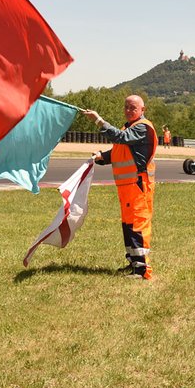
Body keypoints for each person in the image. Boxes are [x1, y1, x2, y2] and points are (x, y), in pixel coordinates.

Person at [82, 95, 158, 279]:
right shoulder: (129, 127)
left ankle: (142, 270)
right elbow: (120, 151)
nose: (129, 110)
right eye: (126, 107)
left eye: (133, 108)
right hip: (127, 186)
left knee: (137, 225)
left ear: (142, 110)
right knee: (128, 225)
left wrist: (99, 122)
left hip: (138, 185)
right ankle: (133, 263)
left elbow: (122, 138)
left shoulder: (142, 127)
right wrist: (102, 157)